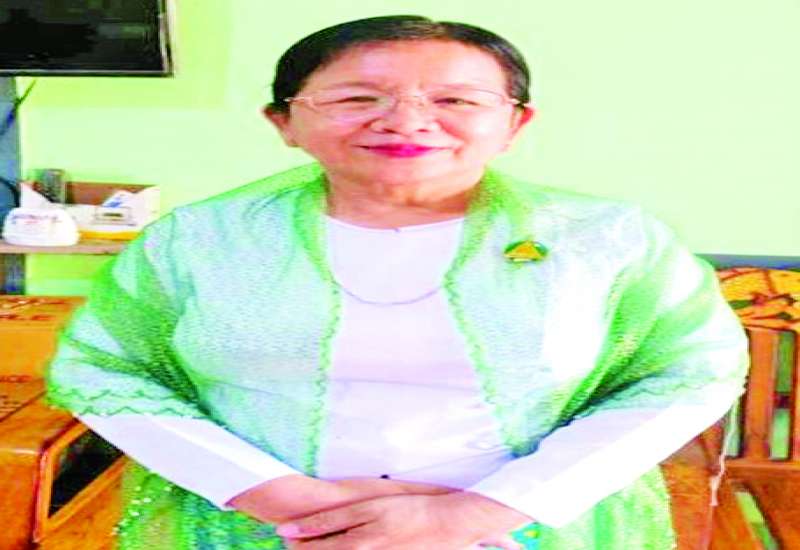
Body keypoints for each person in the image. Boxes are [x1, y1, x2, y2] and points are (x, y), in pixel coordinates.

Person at [46, 15, 748, 550]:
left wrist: (476, 513)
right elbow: (103, 369)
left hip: (522, 527)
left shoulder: (606, 240)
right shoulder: (201, 240)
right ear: (284, 121)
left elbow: (690, 375)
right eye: (358, 96)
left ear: (515, 123)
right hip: (258, 526)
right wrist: (281, 499)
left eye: (457, 99)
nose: (408, 121)